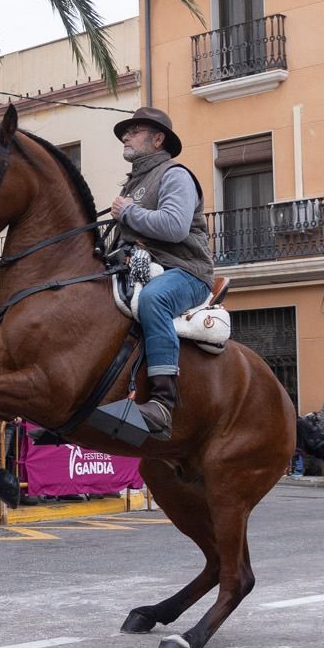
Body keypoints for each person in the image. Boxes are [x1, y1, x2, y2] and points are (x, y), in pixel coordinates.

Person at [108, 106, 214, 435]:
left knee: (155, 299)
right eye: (127, 131)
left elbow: (174, 227)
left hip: (187, 272)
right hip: (143, 268)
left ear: (157, 139)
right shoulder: (133, 184)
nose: (126, 135)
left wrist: (127, 212)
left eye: (134, 130)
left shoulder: (175, 174)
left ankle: (162, 403)